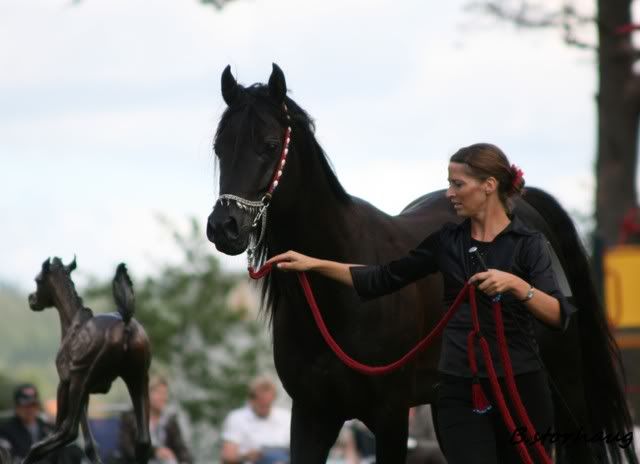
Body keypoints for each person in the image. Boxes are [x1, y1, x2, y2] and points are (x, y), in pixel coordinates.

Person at [265, 143, 577, 464]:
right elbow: (382, 278)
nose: (449, 194)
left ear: (488, 186)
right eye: (448, 183)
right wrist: (314, 264)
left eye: (458, 184)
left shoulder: (530, 245)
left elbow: (557, 314)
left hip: (519, 385)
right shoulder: (446, 242)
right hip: (459, 388)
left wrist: (517, 285)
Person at [118, 375, 192, 464]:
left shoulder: (170, 420)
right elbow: (127, 449)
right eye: (159, 393)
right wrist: (154, 452)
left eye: (165, 393)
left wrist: (185, 461)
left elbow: (180, 447)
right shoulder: (130, 418)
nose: (163, 397)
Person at [0, 383, 83, 464]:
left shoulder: (49, 429)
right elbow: (8, 456)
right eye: (26, 406)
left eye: (33, 405)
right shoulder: (5, 431)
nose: (30, 410)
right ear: (17, 406)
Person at [220, 374, 291, 464]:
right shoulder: (236, 418)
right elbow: (227, 457)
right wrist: (246, 456)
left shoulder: (286, 416)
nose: (265, 406)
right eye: (261, 402)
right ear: (252, 399)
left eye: (268, 404)